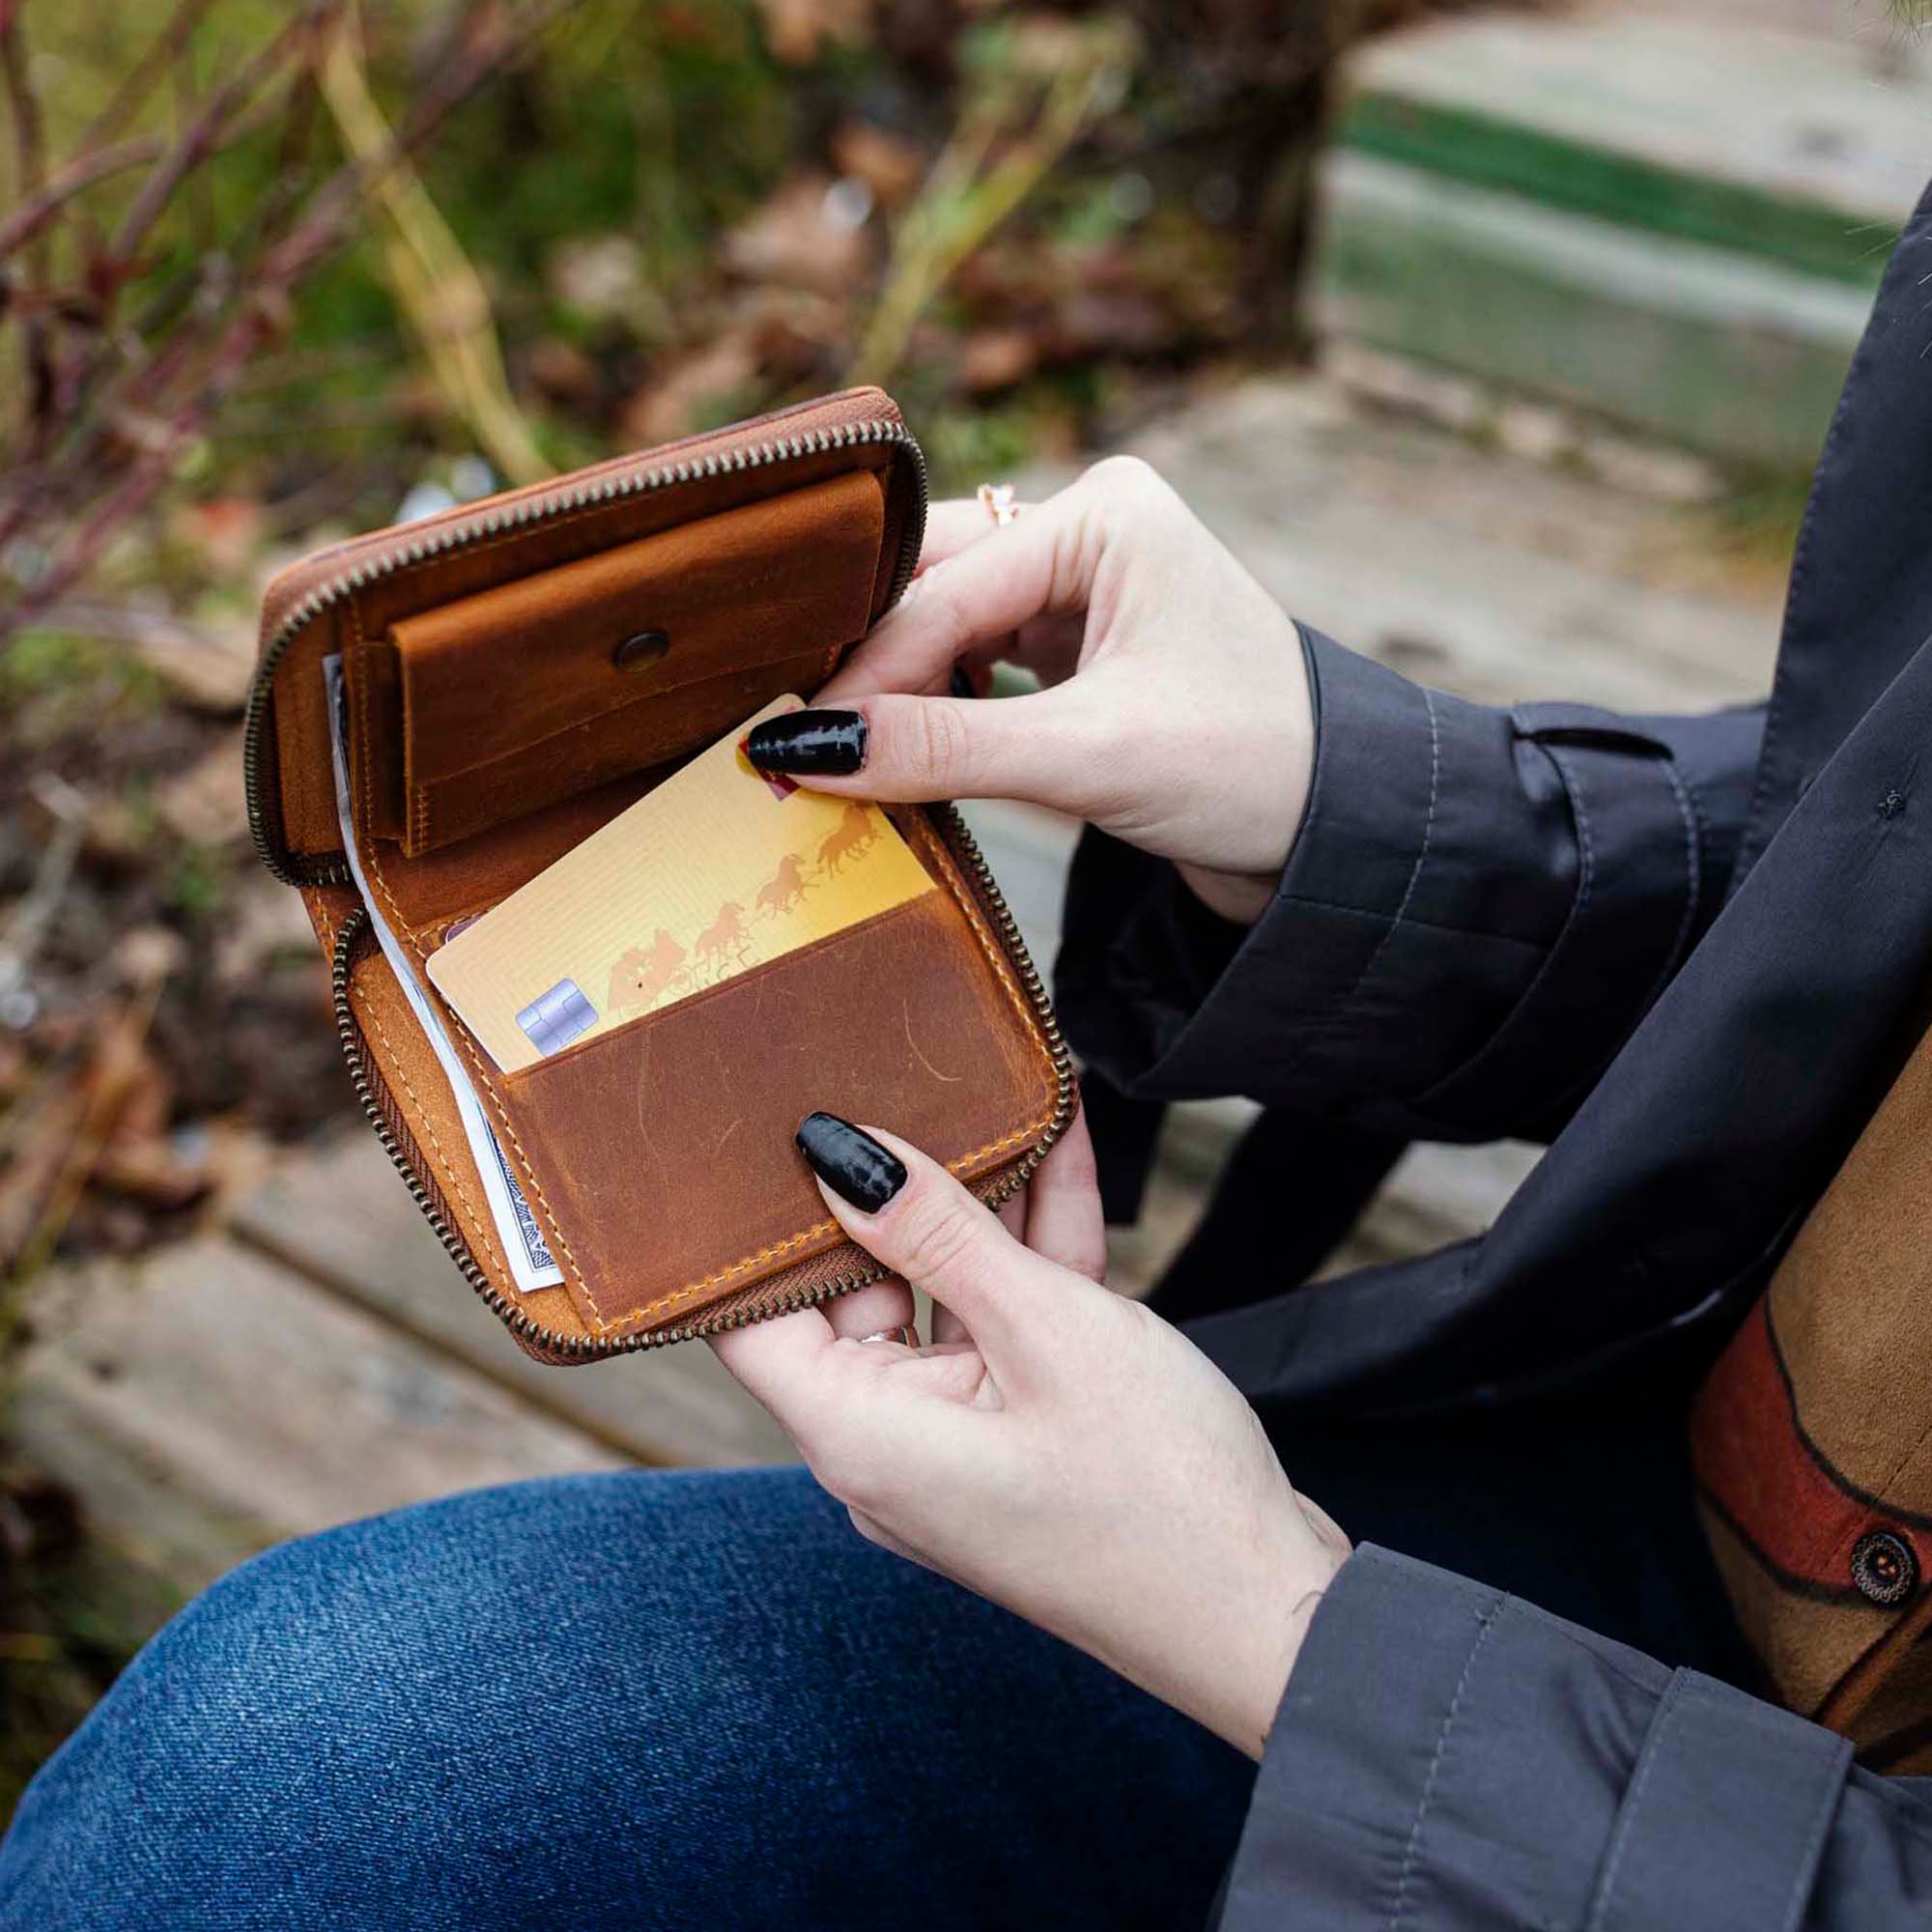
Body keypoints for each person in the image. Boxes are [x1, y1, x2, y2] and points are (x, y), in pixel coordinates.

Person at [14, 175, 1932, 1932]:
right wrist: (1376, 817)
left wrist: (1280, 1633)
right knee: (275, 1781)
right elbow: (1870, 888)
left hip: (1604, 1786)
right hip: (1640, 1491)